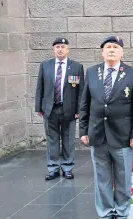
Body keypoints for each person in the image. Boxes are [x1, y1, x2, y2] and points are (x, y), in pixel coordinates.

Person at [79, 36, 133, 219]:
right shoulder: (92, 72)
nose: (111, 50)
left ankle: (122, 212)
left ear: (121, 52)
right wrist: (83, 130)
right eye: (108, 47)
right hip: (98, 135)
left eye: (115, 47)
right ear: (102, 52)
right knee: (102, 178)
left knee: (123, 178)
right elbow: (85, 103)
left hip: (123, 136)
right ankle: (106, 212)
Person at [35, 37, 84, 180]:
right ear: (53, 50)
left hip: (68, 109)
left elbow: (80, 90)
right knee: (52, 140)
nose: (60, 49)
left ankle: (67, 167)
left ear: (68, 50)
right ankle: (53, 168)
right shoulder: (45, 65)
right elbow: (40, 87)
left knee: (68, 140)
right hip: (50, 109)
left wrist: (79, 110)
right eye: (57, 47)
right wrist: (39, 107)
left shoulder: (76, 67)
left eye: (63, 47)